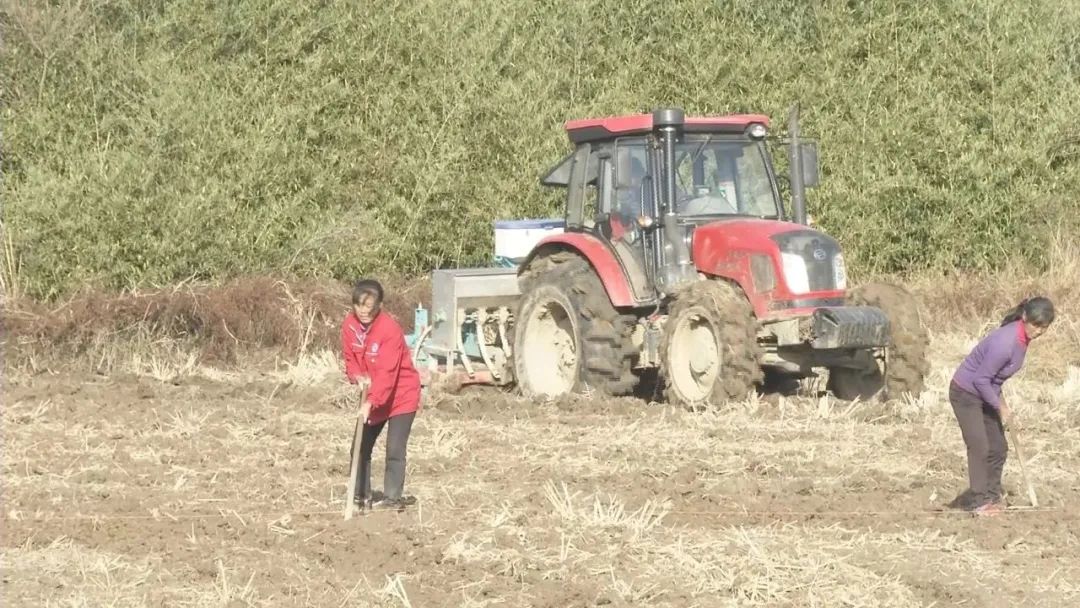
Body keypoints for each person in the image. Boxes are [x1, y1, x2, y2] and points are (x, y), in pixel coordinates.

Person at [948, 296, 1055, 516]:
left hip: (985, 391)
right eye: (1036, 325)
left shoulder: (1022, 339)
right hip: (965, 393)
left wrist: (1001, 403)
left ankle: (991, 496)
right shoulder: (1005, 343)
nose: (1039, 331)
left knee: (998, 447)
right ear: (1025, 317)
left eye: (1044, 327)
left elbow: (994, 380)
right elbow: (980, 379)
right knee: (979, 447)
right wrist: (1000, 406)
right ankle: (978, 503)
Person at [340, 279, 422, 511]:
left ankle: (392, 499)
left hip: (400, 395)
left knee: (394, 449)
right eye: (359, 305)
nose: (364, 311)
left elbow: (387, 375)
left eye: (370, 307)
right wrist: (357, 377)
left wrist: (371, 402)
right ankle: (360, 496)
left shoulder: (389, 331)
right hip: (372, 393)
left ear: (380, 306)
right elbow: (350, 359)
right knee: (360, 445)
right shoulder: (349, 326)